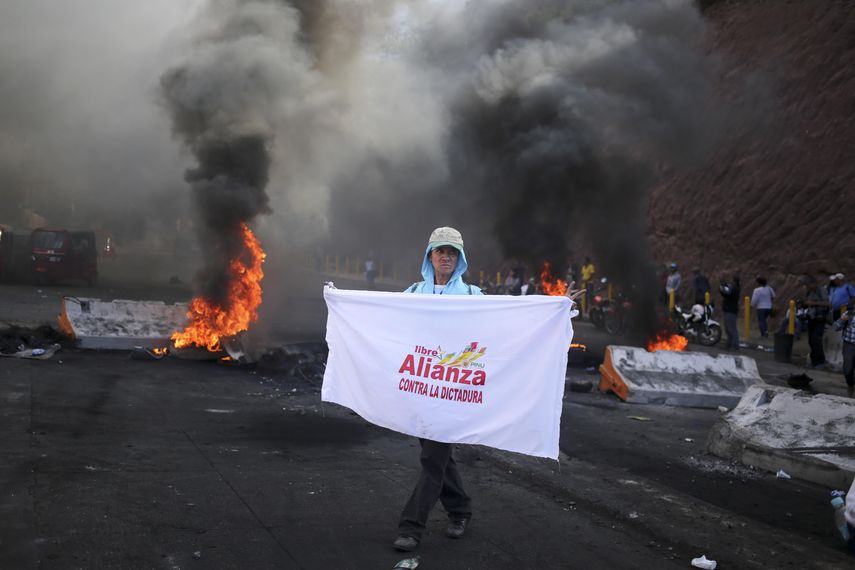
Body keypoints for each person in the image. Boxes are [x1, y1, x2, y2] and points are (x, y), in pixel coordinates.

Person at [394, 227, 481, 552]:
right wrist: (341, 301)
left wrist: (554, 308)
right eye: (440, 251)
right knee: (439, 457)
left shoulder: (474, 296)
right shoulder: (414, 292)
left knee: (433, 460)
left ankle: (411, 528)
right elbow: (383, 320)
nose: (446, 257)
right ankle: (460, 511)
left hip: (453, 394)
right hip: (420, 390)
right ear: (429, 256)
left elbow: (511, 320)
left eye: (452, 252)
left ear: (460, 259)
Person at [800, 275, 830, 368]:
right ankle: (814, 361)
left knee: (816, 340)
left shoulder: (821, 290)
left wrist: (813, 303)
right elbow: (806, 303)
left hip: (820, 318)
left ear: (813, 283)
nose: (807, 287)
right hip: (811, 318)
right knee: (811, 341)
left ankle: (821, 362)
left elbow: (828, 304)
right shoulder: (809, 291)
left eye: (808, 285)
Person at [833, 303, 855, 397]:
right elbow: (836, 327)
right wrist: (842, 320)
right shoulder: (849, 313)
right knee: (848, 369)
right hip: (849, 344)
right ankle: (850, 385)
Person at [720, 273, 741, 350]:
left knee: (731, 329)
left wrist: (722, 286)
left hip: (730, 310)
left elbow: (727, 293)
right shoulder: (736, 288)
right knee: (729, 329)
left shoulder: (734, 289)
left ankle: (735, 346)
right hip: (730, 310)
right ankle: (729, 345)